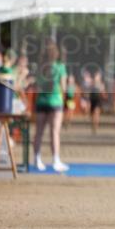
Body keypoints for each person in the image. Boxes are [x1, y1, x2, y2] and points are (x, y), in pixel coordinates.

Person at [32, 40, 69, 172]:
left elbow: (36, 86)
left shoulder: (39, 67)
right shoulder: (60, 67)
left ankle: (36, 158)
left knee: (39, 132)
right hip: (55, 102)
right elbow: (64, 87)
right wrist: (67, 100)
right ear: (56, 54)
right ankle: (56, 160)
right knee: (55, 132)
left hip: (41, 101)